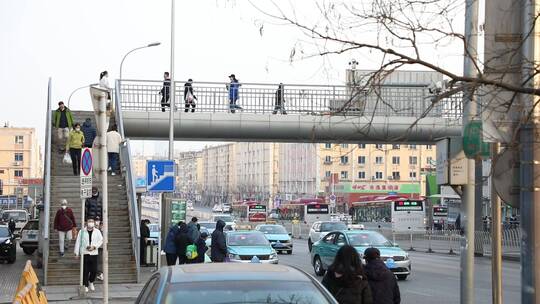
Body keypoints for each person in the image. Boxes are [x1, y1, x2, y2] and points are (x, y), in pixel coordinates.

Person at [74, 218, 103, 293]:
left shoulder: (97, 231)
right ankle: (85, 285)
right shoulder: (82, 231)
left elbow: (101, 240)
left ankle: (91, 281)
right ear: (86, 223)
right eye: (89, 221)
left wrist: (94, 246)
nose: (91, 223)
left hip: (94, 253)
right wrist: (76, 253)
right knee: (85, 270)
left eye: (92, 221)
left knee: (94, 270)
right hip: (85, 253)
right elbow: (78, 242)